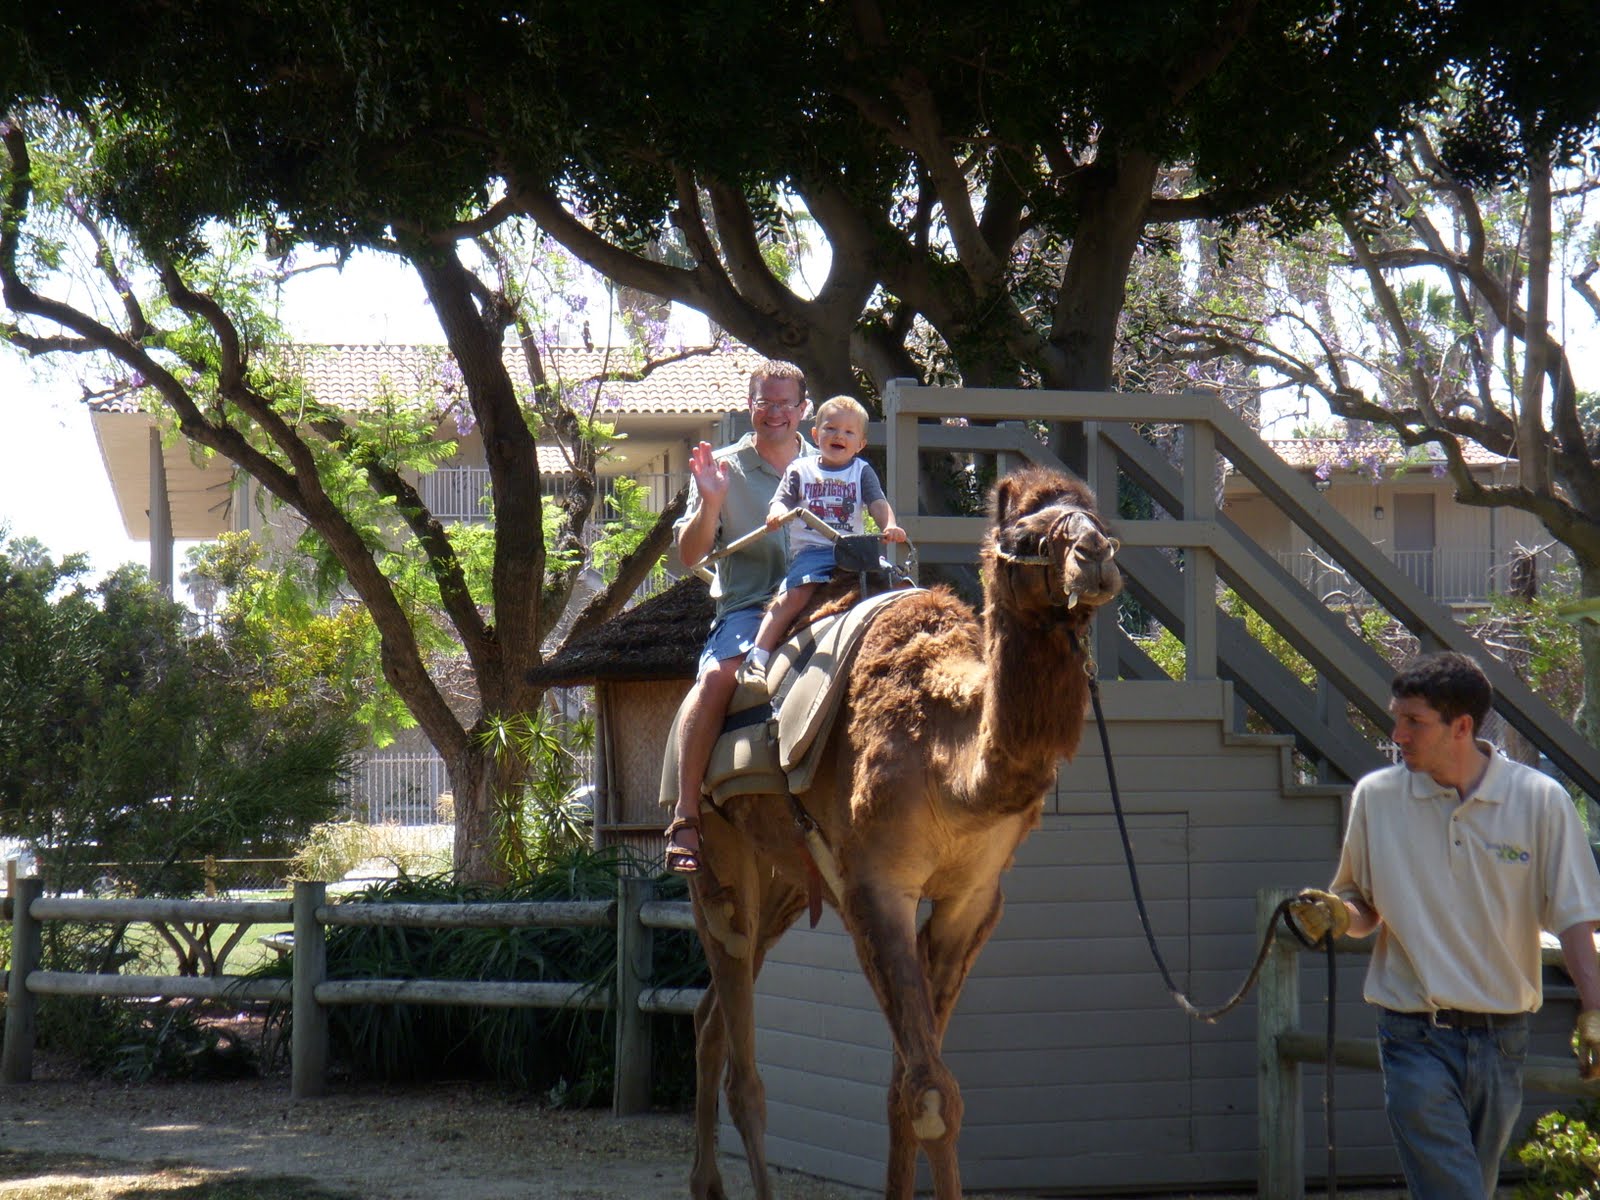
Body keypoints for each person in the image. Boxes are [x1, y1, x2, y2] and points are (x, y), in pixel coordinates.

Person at [1287, 650, 1600, 1200]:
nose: (1397, 733)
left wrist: (1596, 1011)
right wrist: (1338, 915)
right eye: (1396, 717)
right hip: (1413, 1031)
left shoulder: (1539, 800)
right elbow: (1362, 909)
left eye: (1414, 721)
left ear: (1461, 726)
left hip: (1503, 1036)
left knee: (1465, 1187)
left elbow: (1576, 920)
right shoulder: (1377, 798)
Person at [663, 360, 813, 875]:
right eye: (764, 402)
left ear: (803, 410)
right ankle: (686, 817)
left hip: (821, 601)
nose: (775, 413)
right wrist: (711, 505)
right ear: (751, 406)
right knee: (717, 676)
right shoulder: (720, 467)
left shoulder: (830, 462)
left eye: (785, 404)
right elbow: (690, 554)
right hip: (750, 607)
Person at [737, 394, 905, 690]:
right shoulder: (800, 470)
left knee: (898, 582)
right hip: (813, 551)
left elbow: (877, 502)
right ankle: (757, 657)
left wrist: (890, 525)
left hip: (850, 548)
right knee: (794, 595)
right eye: (830, 428)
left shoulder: (861, 471)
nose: (839, 436)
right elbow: (781, 500)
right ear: (815, 434)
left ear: (860, 444)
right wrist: (777, 513)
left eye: (849, 432)